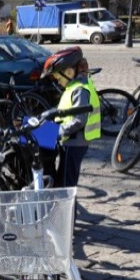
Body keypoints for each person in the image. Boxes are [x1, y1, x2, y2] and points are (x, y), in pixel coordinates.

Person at [42, 47, 100, 187]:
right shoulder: (74, 86)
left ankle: (68, 207)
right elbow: (67, 109)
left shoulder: (79, 90)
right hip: (71, 139)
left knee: (67, 183)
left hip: (74, 141)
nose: (57, 81)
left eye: (58, 77)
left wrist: (58, 132)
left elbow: (79, 120)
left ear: (69, 72)